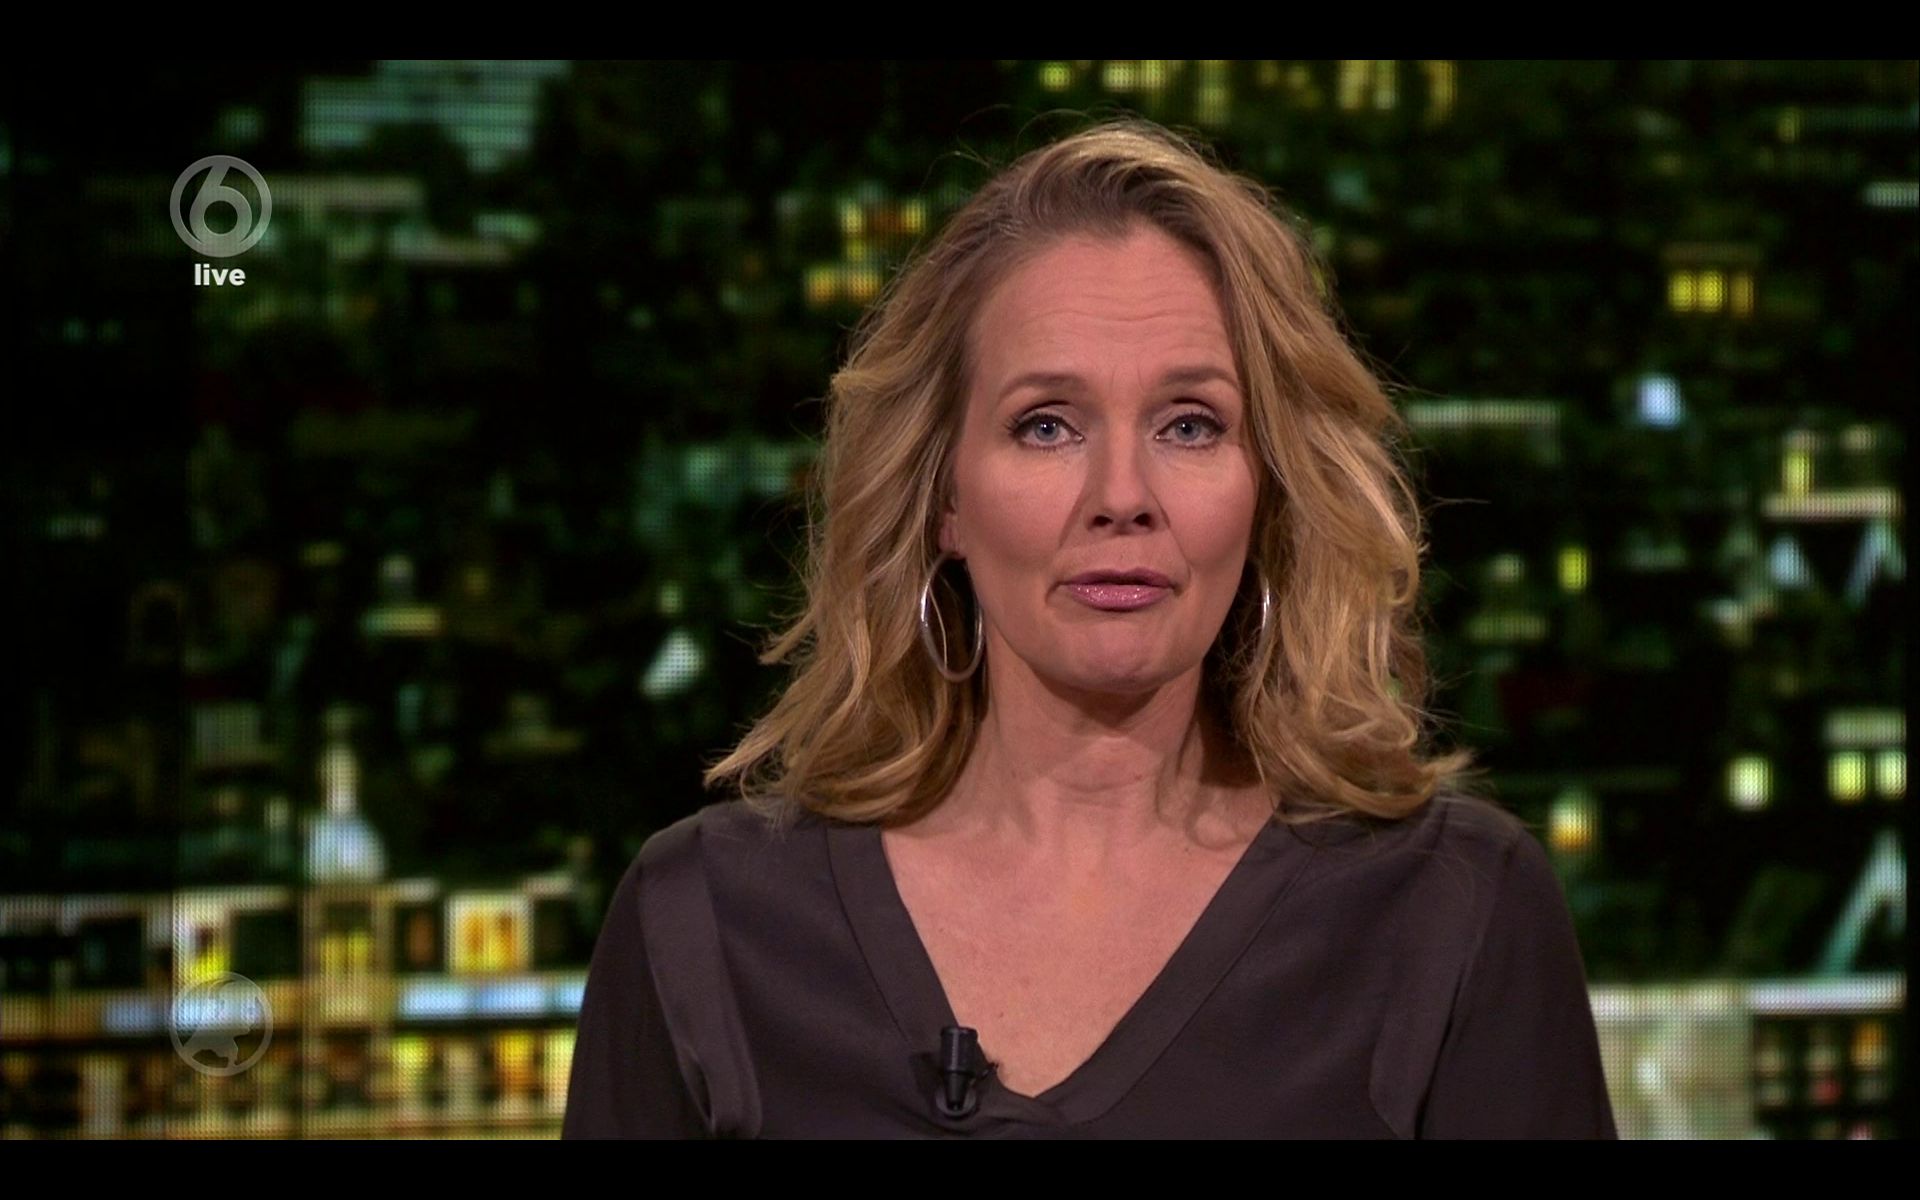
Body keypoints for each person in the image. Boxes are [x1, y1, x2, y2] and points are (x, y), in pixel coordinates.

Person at [562, 116, 1620, 1139]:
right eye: (1047, 426)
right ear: (944, 499)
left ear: (1269, 492)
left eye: (1190, 425)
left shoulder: (1451, 910)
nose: (1122, 495)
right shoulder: (704, 925)